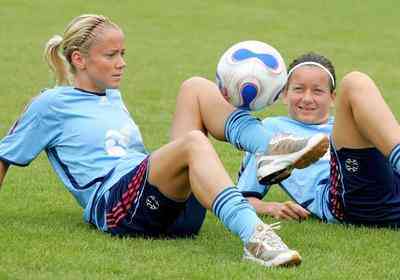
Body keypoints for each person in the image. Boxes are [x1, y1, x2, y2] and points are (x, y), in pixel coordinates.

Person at [0, 14, 329, 267]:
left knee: (194, 87)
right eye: (111, 55)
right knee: (193, 144)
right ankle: (256, 238)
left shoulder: (111, 96)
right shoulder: (50, 105)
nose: (122, 62)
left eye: (123, 53)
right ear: (78, 59)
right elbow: (4, 155)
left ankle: (270, 148)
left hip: (163, 208)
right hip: (116, 208)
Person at [238, 52, 400, 228]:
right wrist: (269, 207)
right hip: (347, 198)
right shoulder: (269, 130)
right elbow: (243, 197)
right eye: (298, 89)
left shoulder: (345, 127)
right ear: (284, 94)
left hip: (390, 188)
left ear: (332, 98)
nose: (307, 99)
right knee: (355, 82)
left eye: (317, 91)